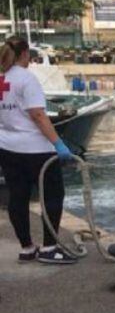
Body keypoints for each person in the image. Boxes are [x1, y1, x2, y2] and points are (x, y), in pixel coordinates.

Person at [0, 35, 78, 265]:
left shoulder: (2, 78)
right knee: (53, 195)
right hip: (36, 150)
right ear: (25, 54)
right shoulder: (27, 79)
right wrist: (59, 144)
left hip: (7, 147)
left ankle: (26, 247)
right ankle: (49, 247)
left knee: (18, 196)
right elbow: (38, 115)